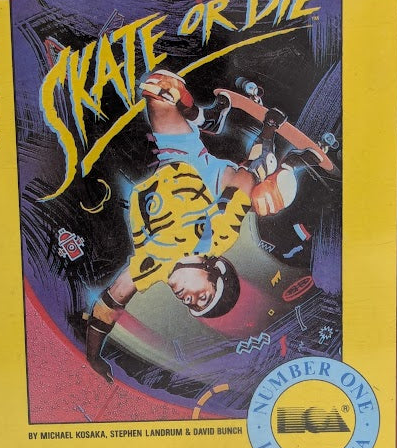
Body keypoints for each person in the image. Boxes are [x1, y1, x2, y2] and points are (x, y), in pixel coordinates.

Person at [85, 70, 299, 382]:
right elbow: (240, 184)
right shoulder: (216, 239)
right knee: (262, 193)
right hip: (212, 180)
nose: (189, 300)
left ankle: (219, 126)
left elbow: (109, 305)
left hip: (176, 161)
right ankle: (213, 122)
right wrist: (265, 144)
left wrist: (93, 357)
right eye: (203, 297)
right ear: (213, 271)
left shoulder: (150, 268)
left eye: (192, 306)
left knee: (158, 88)